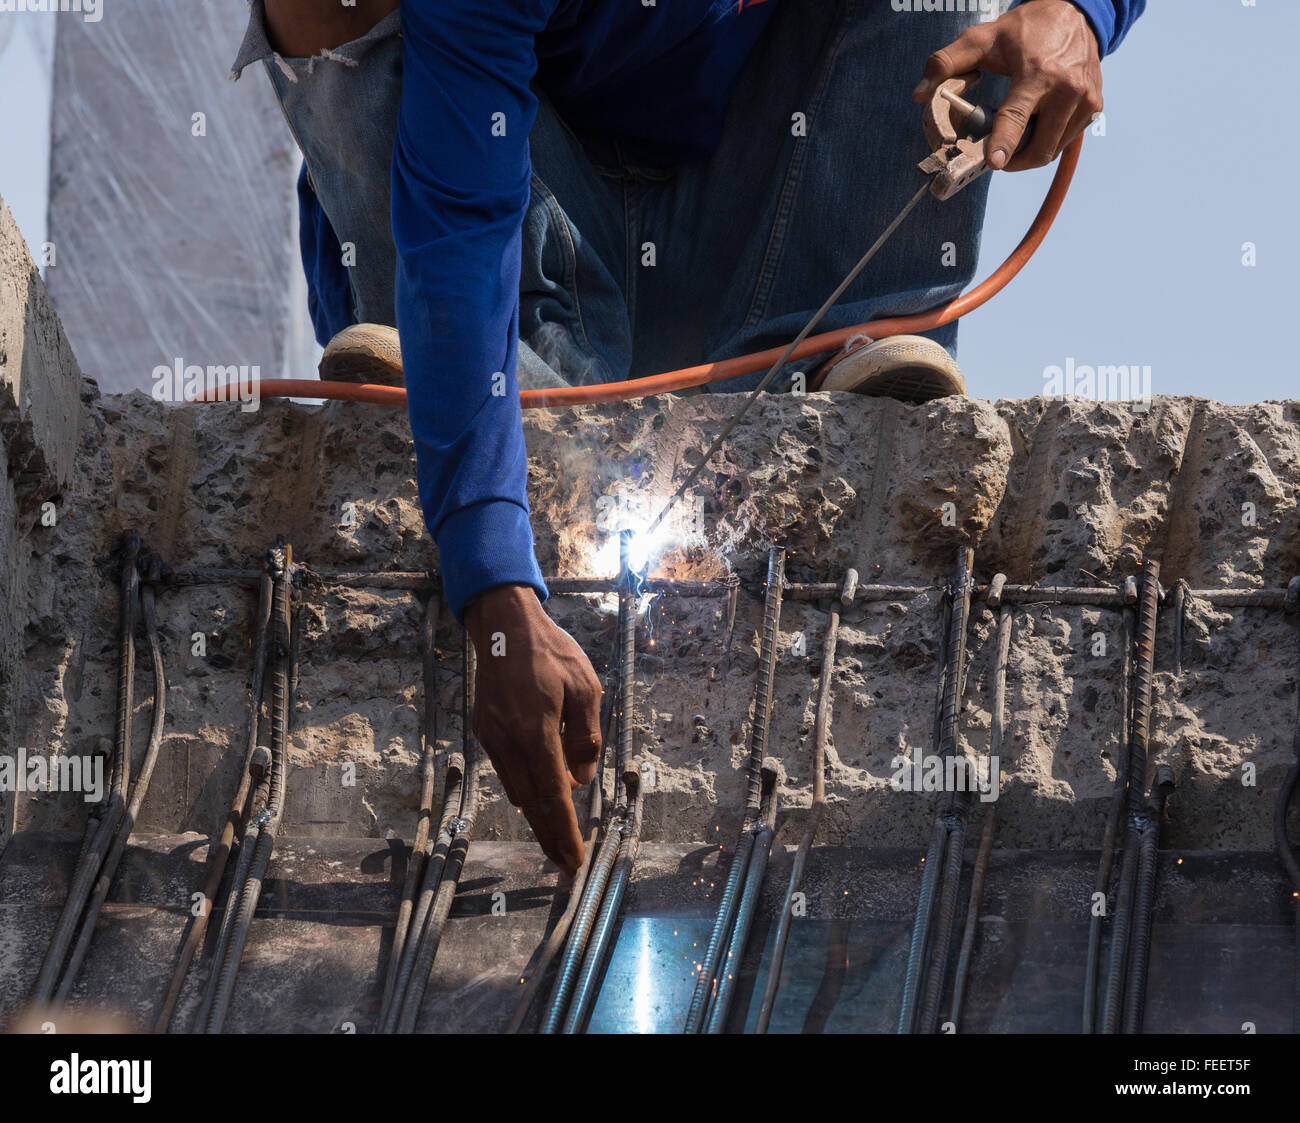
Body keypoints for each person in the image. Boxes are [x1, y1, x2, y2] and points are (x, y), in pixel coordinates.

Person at [231, 0, 1143, 874]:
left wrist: (1082, 12)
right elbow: (461, 226)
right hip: (529, 255)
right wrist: (493, 584)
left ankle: (836, 361)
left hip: (765, 243)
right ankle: (462, 370)